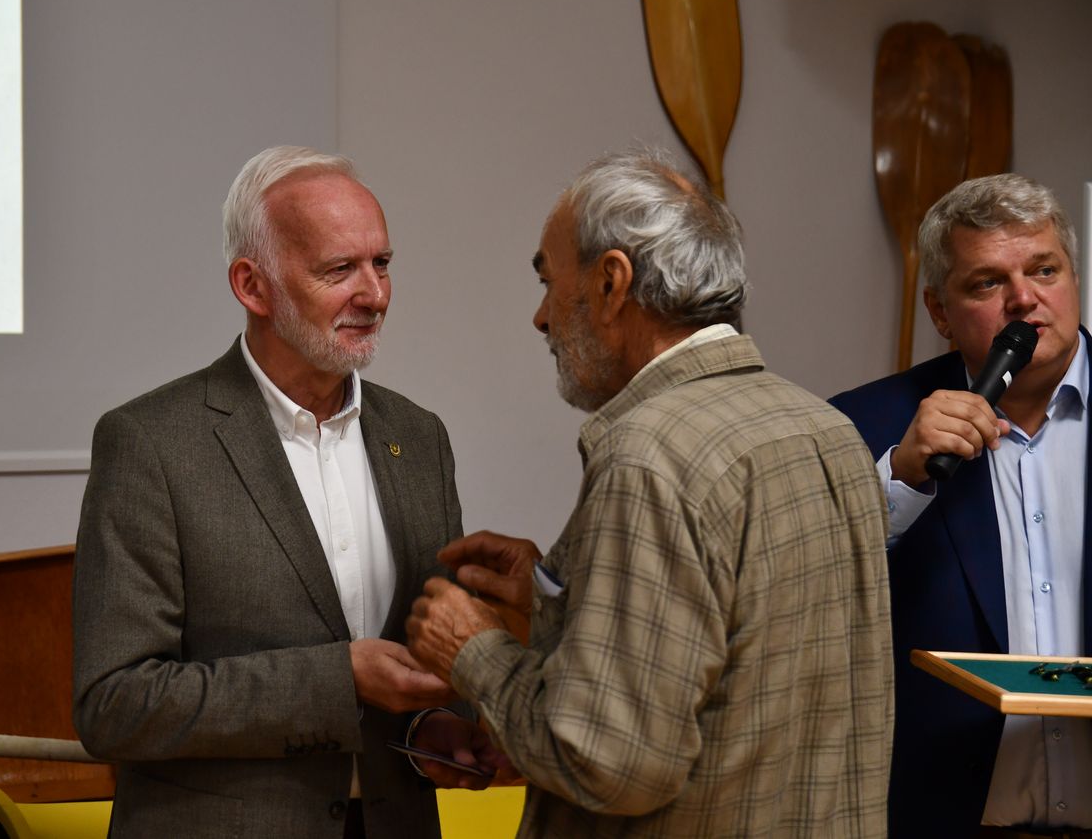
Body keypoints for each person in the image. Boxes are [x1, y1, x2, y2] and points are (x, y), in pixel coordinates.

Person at [405, 147, 894, 837]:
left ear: (611, 283)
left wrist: (474, 650)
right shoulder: (828, 429)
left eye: (548, 282)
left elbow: (610, 763)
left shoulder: (649, 455)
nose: (541, 317)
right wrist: (560, 602)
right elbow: (738, 674)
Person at [72, 147, 495, 839]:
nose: (375, 295)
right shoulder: (151, 443)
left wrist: (434, 725)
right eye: (340, 269)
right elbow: (114, 704)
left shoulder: (420, 437)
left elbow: (427, 652)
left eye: (382, 263)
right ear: (253, 285)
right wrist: (338, 681)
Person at [830, 173, 1092, 837]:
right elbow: (817, 599)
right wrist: (902, 477)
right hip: (943, 816)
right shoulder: (861, 426)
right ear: (939, 312)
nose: (1024, 299)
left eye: (1045, 270)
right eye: (987, 283)